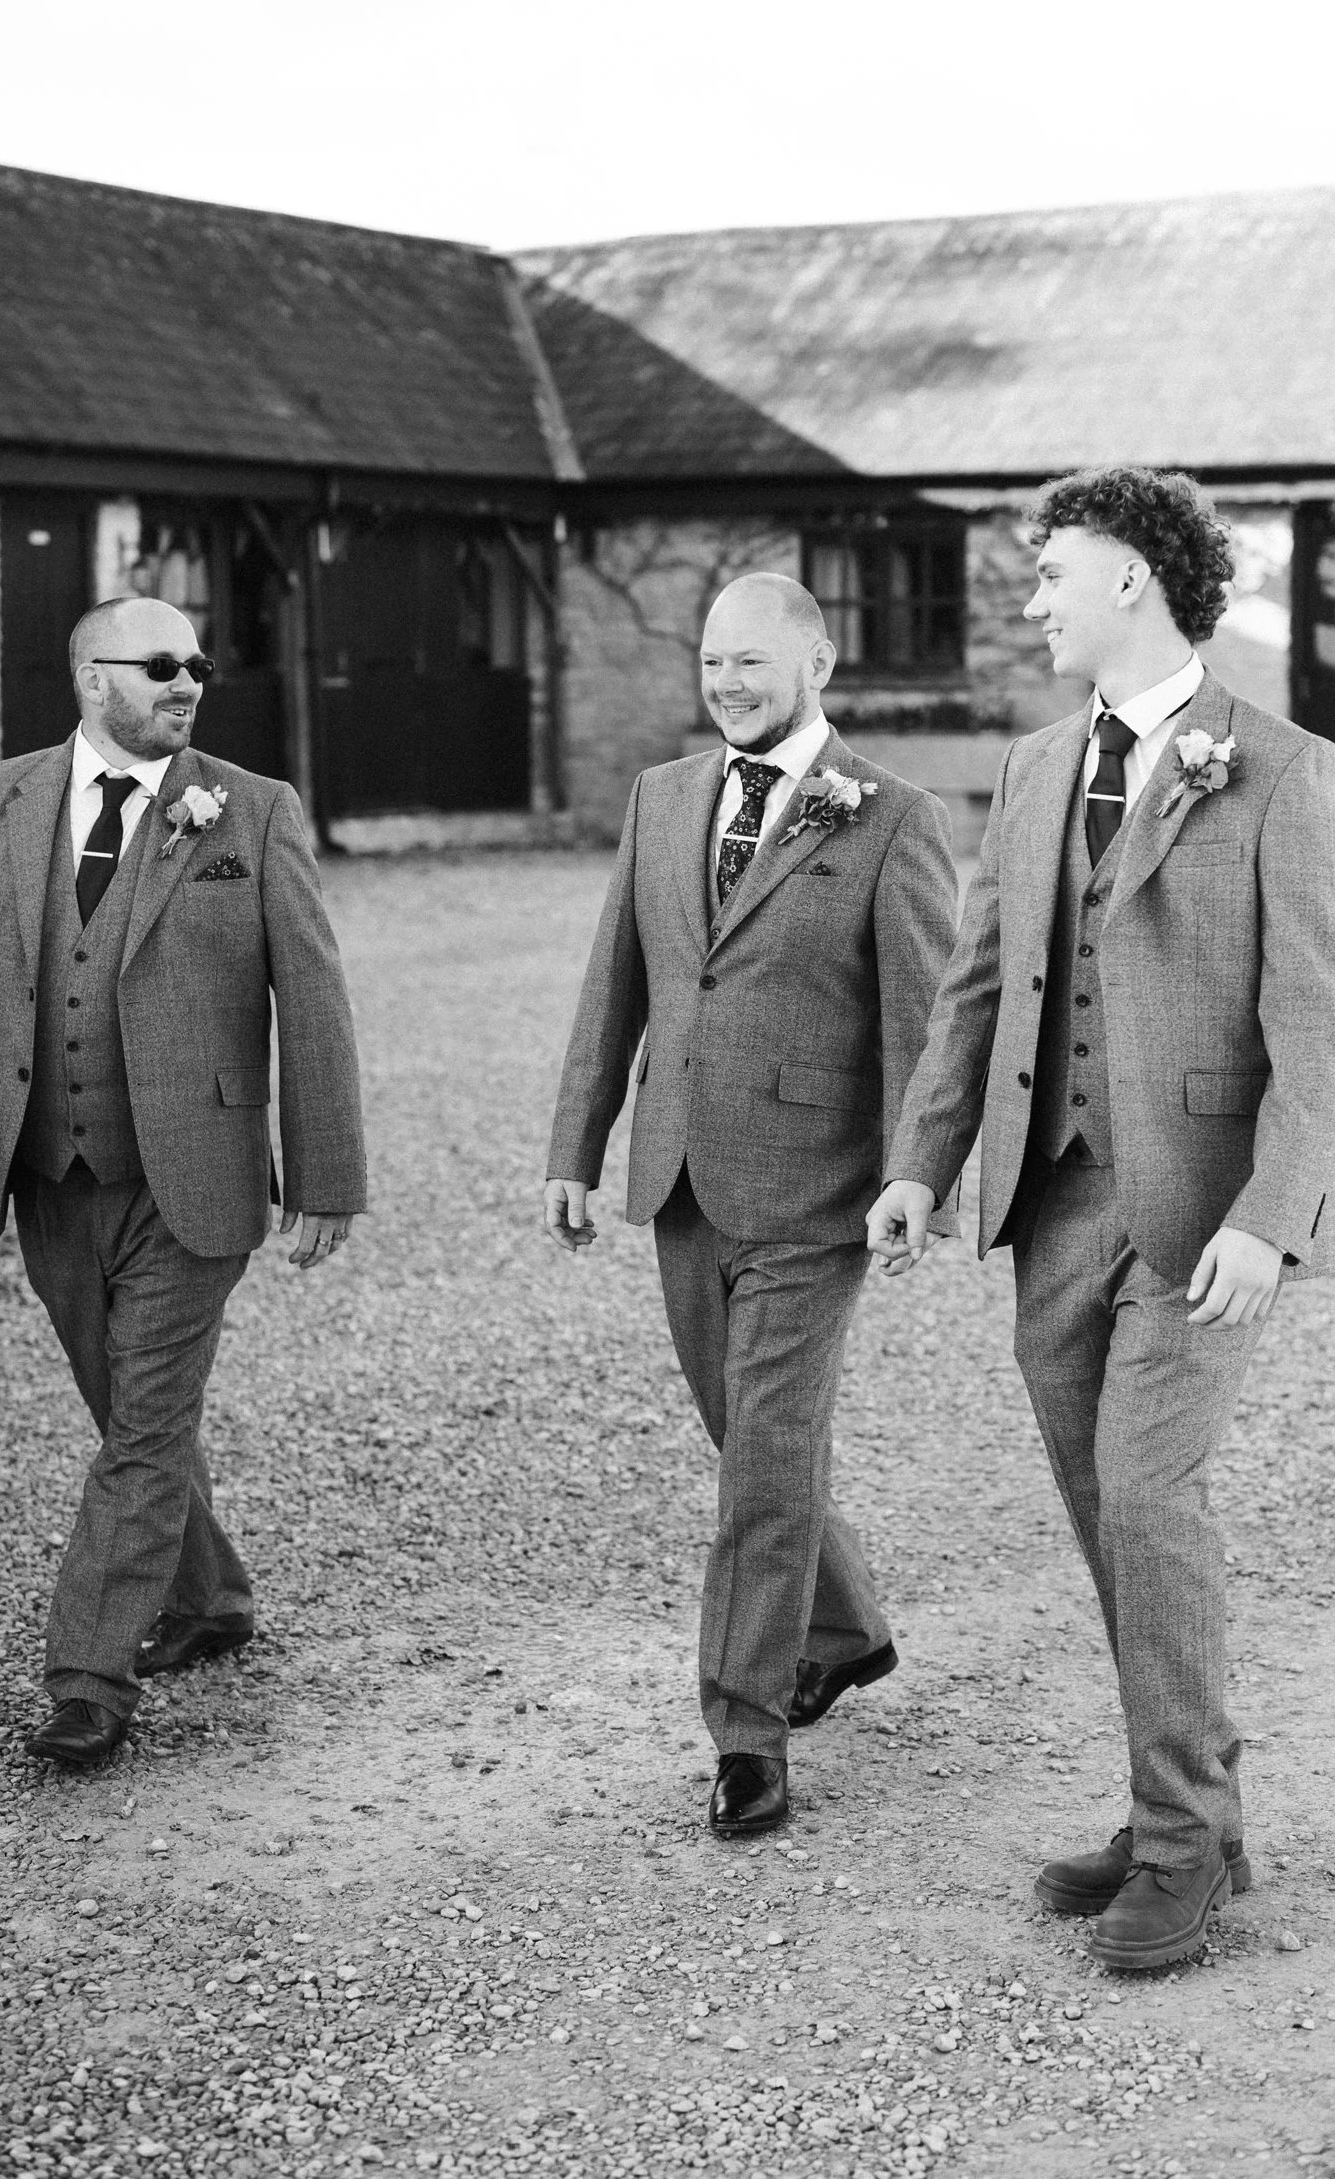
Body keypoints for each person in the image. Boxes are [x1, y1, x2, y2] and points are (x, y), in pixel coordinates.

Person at [868, 467, 1335, 1970]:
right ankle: (1191, 1809)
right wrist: (918, 1164)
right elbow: (974, 988)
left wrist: (1267, 1218)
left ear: (1132, 578)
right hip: (1050, 1196)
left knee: (1147, 1498)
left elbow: (1316, 1023)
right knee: (1105, 1515)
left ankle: (1179, 1847)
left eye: (1050, 574)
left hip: (1205, 1211)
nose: (1031, 601)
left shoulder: (1284, 768)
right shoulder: (1033, 768)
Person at [0, 594, 367, 1766]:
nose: (187, 682)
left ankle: (87, 1680)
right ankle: (210, 1598)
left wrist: (326, 1176)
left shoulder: (253, 809)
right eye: (161, 664)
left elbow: (314, 1001)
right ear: (90, 678)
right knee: (126, 1412)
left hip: (196, 1177)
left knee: (145, 1430)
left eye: (198, 664)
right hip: (49, 1175)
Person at [544, 573, 959, 1837]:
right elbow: (614, 981)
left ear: (816, 664)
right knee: (745, 1440)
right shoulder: (662, 796)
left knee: (765, 1465)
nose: (726, 684)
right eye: (712, 663)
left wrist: (918, 1176)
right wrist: (574, 1147)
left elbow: (927, 1018)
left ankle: (745, 1731)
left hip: (814, 1191)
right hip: (678, 1176)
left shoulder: (891, 817)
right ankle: (847, 1628)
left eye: (752, 663)